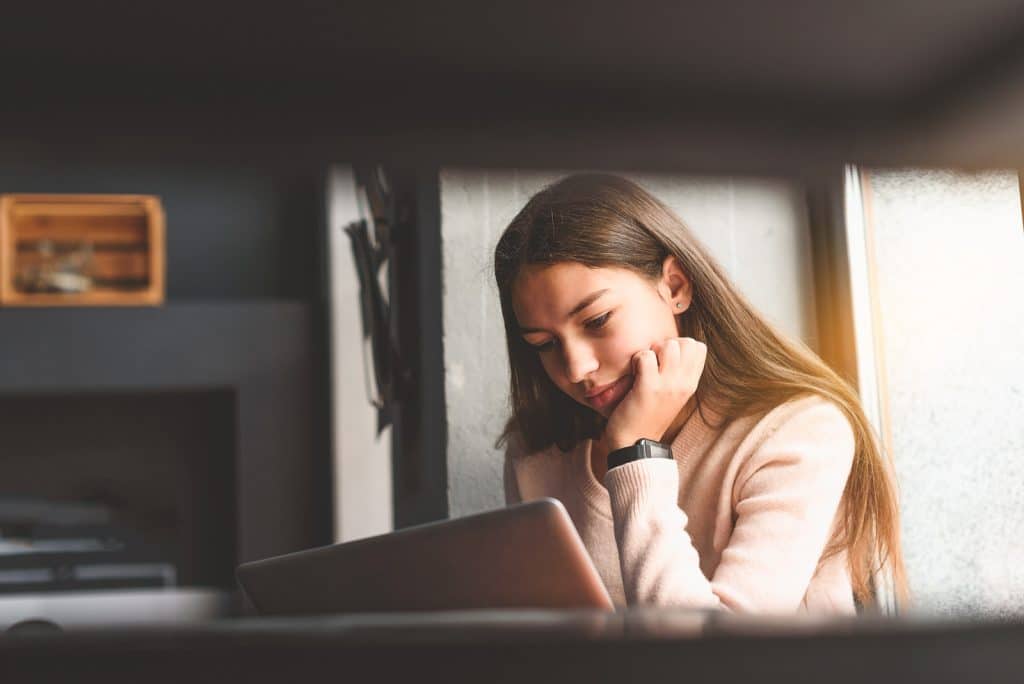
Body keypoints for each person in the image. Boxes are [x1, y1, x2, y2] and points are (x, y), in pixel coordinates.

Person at [493, 173, 908, 614]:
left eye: (597, 321)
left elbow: (716, 646)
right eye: (544, 344)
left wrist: (635, 452)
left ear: (675, 287)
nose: (577, 368)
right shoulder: (536, 452)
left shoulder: (799, 431)